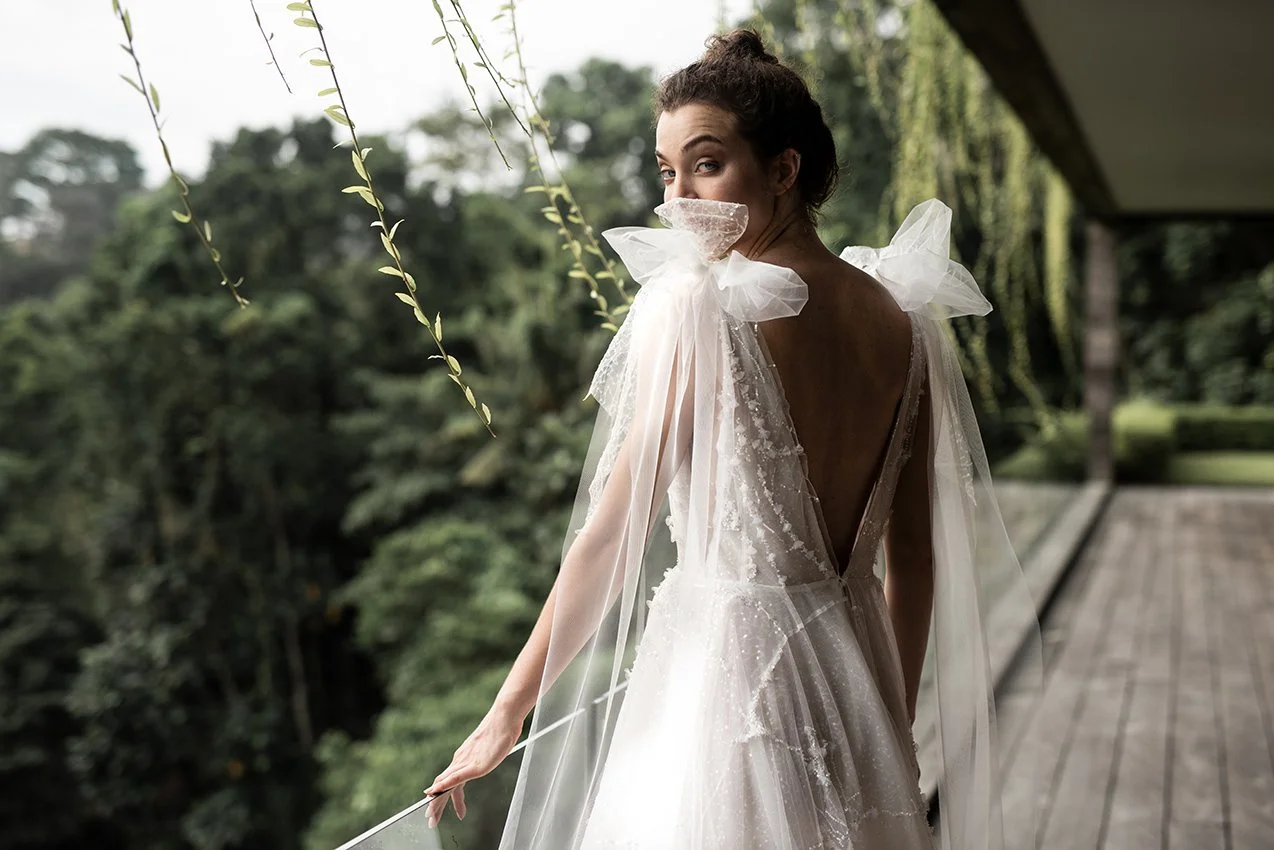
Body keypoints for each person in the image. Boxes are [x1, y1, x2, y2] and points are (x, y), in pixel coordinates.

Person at [423, 28, 1041, 849]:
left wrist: (505, 716)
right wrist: (888, 718)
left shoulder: (701, 308)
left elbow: (612, 535)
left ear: (783, 170)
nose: (679, 200)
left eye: (706, 164)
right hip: (860, 700)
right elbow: (913, 558)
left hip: (726, 702)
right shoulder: (905, 322)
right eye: (668, 171)